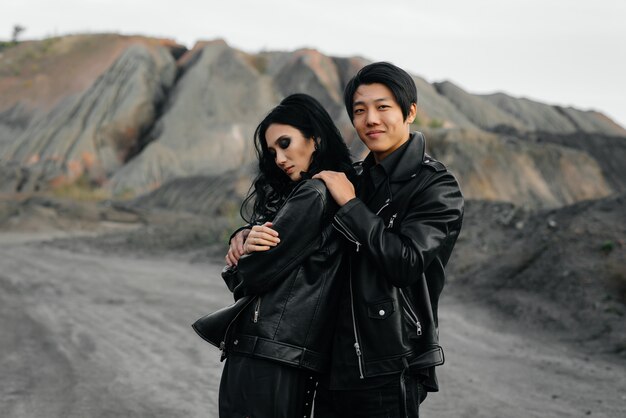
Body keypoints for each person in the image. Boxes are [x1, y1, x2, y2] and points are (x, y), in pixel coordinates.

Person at [230, 62, 464, 417]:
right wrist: (248, 232)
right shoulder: (351, 177)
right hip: (329, 364)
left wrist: (352, 205)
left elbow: (405, 263)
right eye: (359, 110)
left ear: (410, 111)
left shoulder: (435, 187)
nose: (370, 119)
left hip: (388, 365)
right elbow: (296, 222)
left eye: (382, 107)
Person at [202, 93, 355, 418]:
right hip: (287, 355)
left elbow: (252, 275)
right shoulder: (333, 191)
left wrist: (239, 264)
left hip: (268, 354)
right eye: (273, 151)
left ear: (314, 138)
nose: (280, 157)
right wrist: (244, 235)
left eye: (286, 143)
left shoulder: (313, 193)